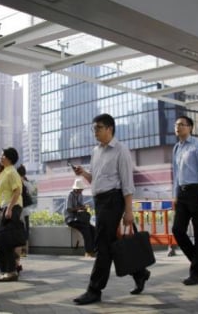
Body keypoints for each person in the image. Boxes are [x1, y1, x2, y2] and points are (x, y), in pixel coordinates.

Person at [72, 113, 150, 305]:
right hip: (99, 201)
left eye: (98, 128)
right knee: (111, 243)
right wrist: (83, 173)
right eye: (94, 128)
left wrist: (128, 211)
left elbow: (127, 183)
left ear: (109, 129)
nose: (95, 132)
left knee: (102, 245)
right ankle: (140, 272)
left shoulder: (121, 150)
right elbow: (96, 180)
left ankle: (94, 290)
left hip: (113, 200)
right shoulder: (95, 151)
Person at [171, 115, 198, 285]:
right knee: (177, 230)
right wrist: (175, 195)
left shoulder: (197, 145)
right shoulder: (176, 148)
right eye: (176, 124)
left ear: (190, 128)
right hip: (182, 193)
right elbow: (175, 174)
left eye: (182, 124)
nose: (178, 127)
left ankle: (196, 273)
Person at [0, 147, 25, 282]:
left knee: (6, 241)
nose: (0, 157)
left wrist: (10, 209)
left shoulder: (12, 172)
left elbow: (17, 191)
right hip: (2, 208)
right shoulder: (3, 173)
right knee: (2, 241)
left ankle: (11, 271)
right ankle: (7, 270)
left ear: (9, 158)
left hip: (11, 208)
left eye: (2, 155)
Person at [65, 177, 96, 257]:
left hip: (78, 218)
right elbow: (69, 209)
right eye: (80, 189)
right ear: (76, 188)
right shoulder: (70, 195)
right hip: (71, 219)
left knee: (93, 229)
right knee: (86, 230)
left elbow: (80, 206)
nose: (81, 190)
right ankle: (88, 252)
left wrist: (84, 207)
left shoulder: (80, 195)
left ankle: (93, 250)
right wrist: (79, 208)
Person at [17, 164, 34, 257]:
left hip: (18, 210)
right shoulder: (26, 182)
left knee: (19, 230)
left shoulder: (18, 181)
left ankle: (21, 250)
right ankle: (24, 250)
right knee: (25, 230)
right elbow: (32, 190)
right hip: (26, 210)